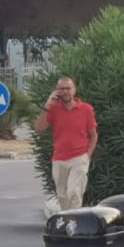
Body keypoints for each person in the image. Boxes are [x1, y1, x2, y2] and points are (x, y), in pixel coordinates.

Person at [33, 76, 97, 211]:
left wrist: (87, 156)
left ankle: (75, 223)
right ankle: (68, 222)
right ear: (57, 91)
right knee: (62, 196)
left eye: (68, 88)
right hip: (59, 158)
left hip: (79, 157)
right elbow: (39, 128)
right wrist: (47, 105)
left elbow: (93, 135)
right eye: (62, 89)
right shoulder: (53, 109)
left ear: (74, 90)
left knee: (74, 192)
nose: (65, 91)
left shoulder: (86, 109)